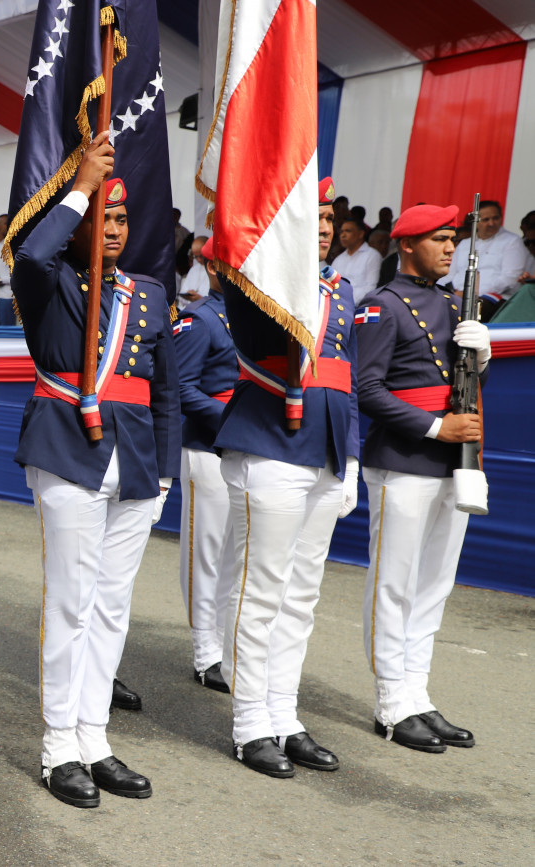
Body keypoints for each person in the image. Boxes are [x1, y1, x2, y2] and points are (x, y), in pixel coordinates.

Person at [11, 135, 179, 808]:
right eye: (100, 218)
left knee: (112, 607)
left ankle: (94, 736)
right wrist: (80, 187)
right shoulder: (51, 283)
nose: (111, 230)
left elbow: (164, 393)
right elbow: (30, 254)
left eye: (120, 220)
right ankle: (59, 746)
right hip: (67, 450)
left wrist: (164, 472)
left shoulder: (148, 293)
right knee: (70, 602)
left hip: (134, 461)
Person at [216, 176, 359, 779]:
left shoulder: (341, 288)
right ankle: (251, 723)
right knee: (263, 592)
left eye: (329, 218)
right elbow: (229, 256)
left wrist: (351, 458)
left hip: (324, 451)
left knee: (302, 596)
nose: (324, 227)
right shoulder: (259, 278)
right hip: (271, 444)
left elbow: (347, 379)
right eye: (313, 216)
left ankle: (283, 714)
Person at [354, 203, 489, 753]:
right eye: (438, 238)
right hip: (405, 458)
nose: (450, 247)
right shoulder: (382, 306)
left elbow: (461, 382)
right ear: (407, 244)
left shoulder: (456, 303)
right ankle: (391, 702)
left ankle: (417, 692)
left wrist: (482, 358)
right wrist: (436, 428)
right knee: (394, 584)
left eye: (453, 239)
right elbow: (367, 389)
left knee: (434, 585)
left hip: (454, 461)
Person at [172, 237, 237, 694]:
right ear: (213, 269)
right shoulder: (199, 319)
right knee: (205, 553)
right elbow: (181, 388)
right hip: (208, 446)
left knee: (235, 555)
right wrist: (233, 416)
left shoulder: (253, 317)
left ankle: (228, 644)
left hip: (248, 449)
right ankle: (205, 651)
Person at [445, 200, 527, 319]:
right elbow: (449, 273)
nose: (491, 223)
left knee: (469, 311)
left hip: (494, 297)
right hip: (458, 294)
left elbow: (510, 278)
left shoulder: (512, 241)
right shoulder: (465, 244)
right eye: (486, 220)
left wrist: (469, 294)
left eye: (495, 218)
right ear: (476, 221)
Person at [332, 218, 381, 302]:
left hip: (360, 306)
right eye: (341, 232)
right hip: (337, 305)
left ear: (361, 234)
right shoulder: (338, 260)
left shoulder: (372, 256)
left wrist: (348, 303)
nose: (343, 235)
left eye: (348, 231)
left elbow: (371, 288)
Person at [178, 235, 210, 308]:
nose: (198, 260)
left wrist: (200, 299)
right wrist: (189, 297)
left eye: (201, 256)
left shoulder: (216, 271)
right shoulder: (194, 270)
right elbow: (181, 297)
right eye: (196, 257)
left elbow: (218, 301)